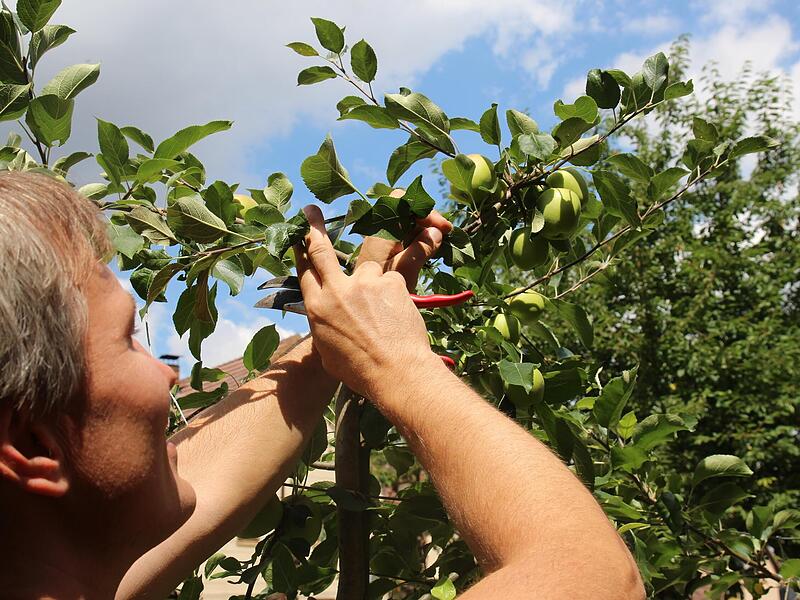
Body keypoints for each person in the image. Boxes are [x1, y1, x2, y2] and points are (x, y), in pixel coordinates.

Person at [0, 172, 644, 599]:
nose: (166, 370)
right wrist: (401, 367)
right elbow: (594, 579)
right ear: (33, 444)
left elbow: (197, 474)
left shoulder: (52, 566)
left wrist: (336, 340)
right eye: (127, 338)